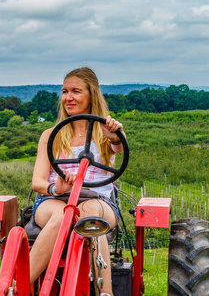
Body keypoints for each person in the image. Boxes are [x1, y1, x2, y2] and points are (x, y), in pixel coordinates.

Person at [29, 67, 125, 296]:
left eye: (76, 91)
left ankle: (105, 293)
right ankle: (18, 285)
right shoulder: (50, 135)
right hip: (54, 199)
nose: (68, 98)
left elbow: (118, 148)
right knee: (64, 215)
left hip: (98, 200)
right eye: (64, 91)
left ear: (91, 95)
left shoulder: (106, 133)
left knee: (89, 214)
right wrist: (56, 187)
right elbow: (37, 182)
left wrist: (115, 137)